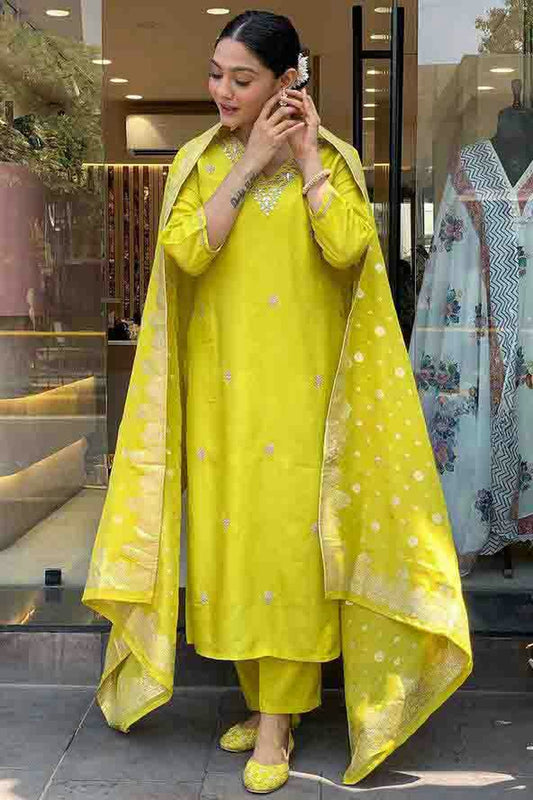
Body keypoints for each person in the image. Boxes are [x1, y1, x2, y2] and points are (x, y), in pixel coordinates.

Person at [83, 10, 472, 794]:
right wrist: (248, 163)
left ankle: (274, 725)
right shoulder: (197, 161)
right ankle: (269, 703)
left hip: (305, 400)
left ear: (286, 81)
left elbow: (348, 248)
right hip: (221, 401)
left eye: (242, 78)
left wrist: (304, 160)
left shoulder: (330, 159)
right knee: (235, 550)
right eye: (215, 74)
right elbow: (185, 253)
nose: (222, 91)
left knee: (291, 552)